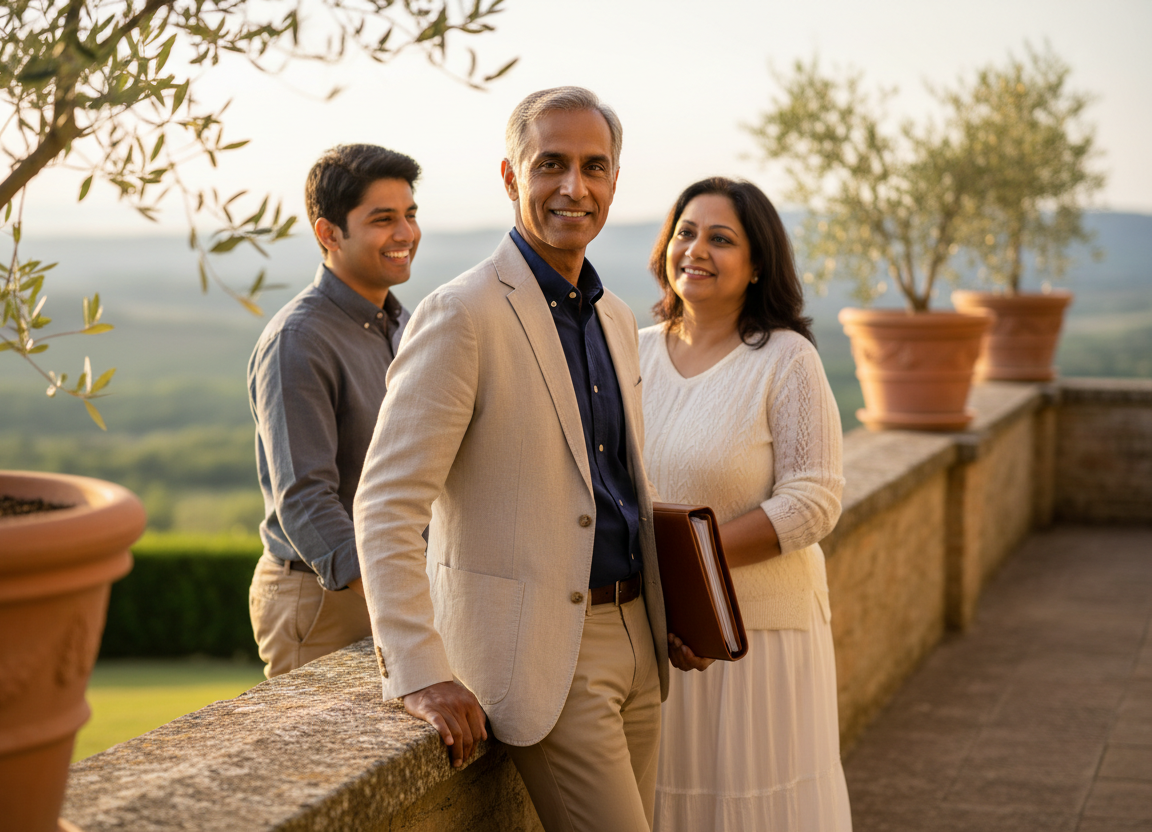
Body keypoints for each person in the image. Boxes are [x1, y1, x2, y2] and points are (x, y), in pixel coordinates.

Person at [353, 87, 700, 832]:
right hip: (547, 659)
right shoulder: (462, 313)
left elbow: (614, 489)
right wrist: (419, 671)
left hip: (643, 640)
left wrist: (669, 604)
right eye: (551, 164)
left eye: (594, 167)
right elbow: (386, 503)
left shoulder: (612, 314)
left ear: (613, 181)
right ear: (511, 178)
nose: (575, 187)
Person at [641, 177, 852, 830]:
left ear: (757, 264)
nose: (696, 250)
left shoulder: (786, 360)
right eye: (686, 231)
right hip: (659, 634)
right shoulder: (631, 351)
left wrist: (689, 567)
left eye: (721, 239)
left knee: (753, 808)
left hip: (756, 639)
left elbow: (814, 501)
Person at [246, 143, 421, 679]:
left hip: (396, 585)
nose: (406, 233)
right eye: (383, 219)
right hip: (325, 597)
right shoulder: (299, 340)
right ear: (328, 234)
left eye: (410, 215)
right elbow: (304, 499)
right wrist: (396, 599)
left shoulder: (404, 324)